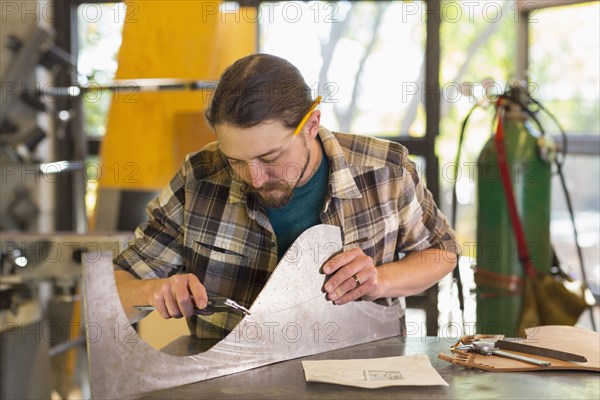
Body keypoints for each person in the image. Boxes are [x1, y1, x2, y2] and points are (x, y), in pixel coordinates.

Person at [114, 53, 459, 339]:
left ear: (311, 125)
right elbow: (117, 284)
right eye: (235, 161)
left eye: (270, 158)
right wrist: (153, 292)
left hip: (359, 372)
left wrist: (380, 280)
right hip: (229, 380)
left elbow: (442, 252)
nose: (255, 178)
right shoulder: (200, 176)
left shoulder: (386, 169)